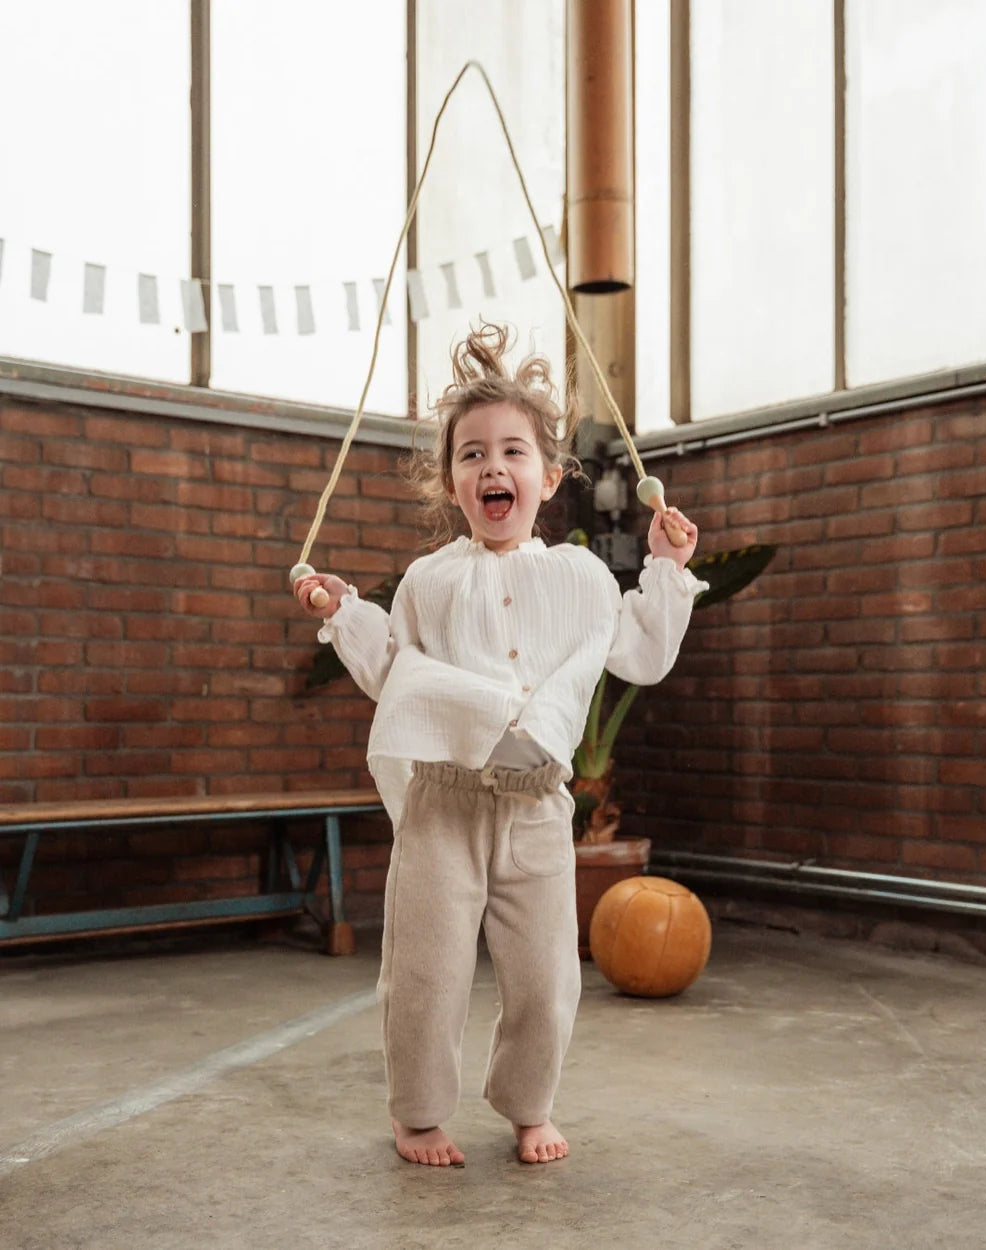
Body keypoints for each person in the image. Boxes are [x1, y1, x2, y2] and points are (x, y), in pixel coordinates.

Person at [294, 323, 707, 1167]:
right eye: (472, 454)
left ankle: (528, 1104)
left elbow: (642, 653)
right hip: (447, 801)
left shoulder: (582, 579)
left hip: (536, 809)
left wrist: (665, 570)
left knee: (547, 977)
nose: (493, 467)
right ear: (450, 482)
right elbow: (394, 671)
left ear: (548, 477)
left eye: (514, 451)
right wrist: (343, 613)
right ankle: (417, 1113)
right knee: (425, 973)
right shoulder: (430, 581)